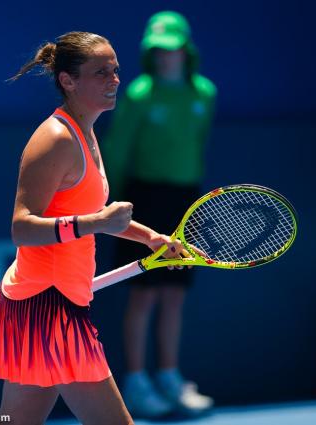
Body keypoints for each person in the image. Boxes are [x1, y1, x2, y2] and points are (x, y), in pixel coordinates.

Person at [0, 31, 191, 425]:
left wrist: (150, 238)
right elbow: (22, 227)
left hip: (38, 302)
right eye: (100, 73)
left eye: (115, 70)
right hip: (49, 307)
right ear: (68, 81)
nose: (114, 80)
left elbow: (94, 211)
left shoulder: (87, 133)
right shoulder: (56, 139)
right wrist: (94, 223)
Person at [102, 11, 217, 418]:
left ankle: (169, 376)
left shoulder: (204, 93)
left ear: (185, 50)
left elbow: (197, 145)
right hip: (144, 197)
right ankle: (136, 382)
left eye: (171, 49)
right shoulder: (138, 94)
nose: (165, 56)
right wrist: (109, 202)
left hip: (187, 200)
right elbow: (117, 150)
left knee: (175, 294)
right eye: (158, 50)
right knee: (144, 293)